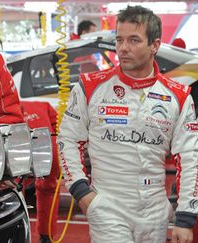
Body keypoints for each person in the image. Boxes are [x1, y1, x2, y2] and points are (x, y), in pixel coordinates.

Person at [58, 5, 198, 243]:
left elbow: (189, 156)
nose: (123, 48)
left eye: (134, 40)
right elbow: (68, 140)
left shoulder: (179, 96)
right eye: (119, 39)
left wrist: (185, 216)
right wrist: (81, 192)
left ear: (155, 45)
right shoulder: (90, 87)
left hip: (154, 210)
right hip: (107, 206)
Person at [21, 101, 60, 243]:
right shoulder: (43, 105)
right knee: (48, 189)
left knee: (14, 192)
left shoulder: (5, 105)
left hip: (19, 147)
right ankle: (46, 236)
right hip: (48, 144)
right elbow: (58, 126)